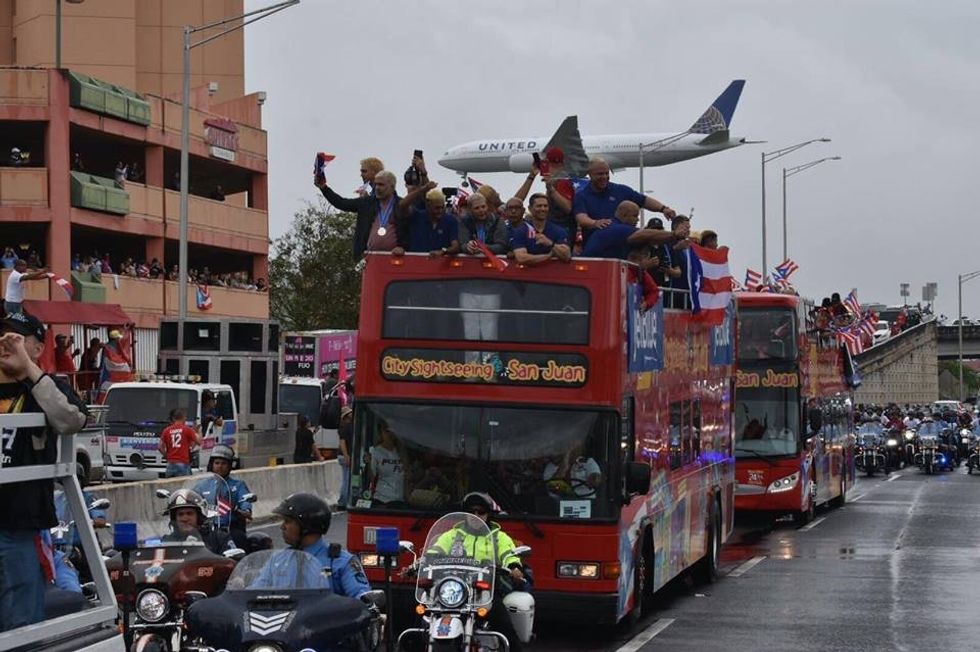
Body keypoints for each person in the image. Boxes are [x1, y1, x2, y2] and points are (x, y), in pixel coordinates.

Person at [0, 311, 87, 632]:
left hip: (20, 526)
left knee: (20, 622)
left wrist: (29, 372)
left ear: (37, 349)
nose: (6, 344)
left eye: (17, 339)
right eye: (2, 336)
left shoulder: (47, 388)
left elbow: (72, 419)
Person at [425, 492, 528, 652]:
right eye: (471, 511)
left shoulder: (499, 538)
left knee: (504, 626)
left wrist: (514, 567)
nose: (476, 515)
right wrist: (419, 563)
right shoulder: (452, 535)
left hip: (486, 591)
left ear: (488, 515)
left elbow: (509, 554)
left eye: (481, 512)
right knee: (422, 619)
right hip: (454, 589)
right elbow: (434, 551)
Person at [264, 493, 371, 598]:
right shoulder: (277, 560)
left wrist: (363, 600)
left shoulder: (340, 562)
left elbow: (362, 598)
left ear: (306, 525)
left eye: (287, 521)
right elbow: (253, 593)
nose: (282, 527)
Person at [572, 158, 675, 243]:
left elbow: (644, 200)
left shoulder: (620, 190)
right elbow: (582, 218)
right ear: (589, 174)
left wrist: (663, 209)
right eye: (600, 174)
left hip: (623, 248)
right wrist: (595, 223)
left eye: (606, 173)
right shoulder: (582, 196)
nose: (604, 177)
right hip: (597, 249)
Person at [317, 169, 406, 260]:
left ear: (392, 186)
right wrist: (324, 188)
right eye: (376, 184)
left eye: (381, 185)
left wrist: (403, 247)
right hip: (368, 258)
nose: (377, 188)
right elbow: (341, 203)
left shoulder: (402, 204)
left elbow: (410, 229)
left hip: (395, 258)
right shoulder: (366, 203)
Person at [195, 444, 253, 549]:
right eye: (217, 463)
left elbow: (246, 505)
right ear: (212, 464)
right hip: (207, 529)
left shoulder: (238, 485)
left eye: (224, 463)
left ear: (229, 466)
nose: (220, 466)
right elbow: (191, 499)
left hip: (230, 529)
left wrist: (239, 510)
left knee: (239, 541)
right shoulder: (202, 485)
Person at [581, 201, 677, 260]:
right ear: (624, 215)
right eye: (635, 216)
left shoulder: (612, 226)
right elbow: (647, 235)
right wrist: (675, 234)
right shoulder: (616, 228)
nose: (638, 220)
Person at [160, 489, 233, 554]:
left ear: (199, 517)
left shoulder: (218, 538)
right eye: (180, 514)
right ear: (174, 518)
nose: (185, 519)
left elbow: (231, 563)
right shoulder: (167, 542)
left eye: (189, 513)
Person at [509, 193, 572, 266]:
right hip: (528, 275)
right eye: (539, 206)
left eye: (545, 206)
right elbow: (521, 258)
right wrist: (548, 256)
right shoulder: (521, 230)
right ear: (530, 208)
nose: (543, 209)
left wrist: (550, 244)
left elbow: (566, 256)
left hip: (553, 275)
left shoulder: (559, 231)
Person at [401, 185, 461, 256]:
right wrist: (421, 189)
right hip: (416, 261)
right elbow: (402, 205)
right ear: (428, 205)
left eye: (442, 207)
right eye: (437, 208)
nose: (440, 211)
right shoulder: (417, 216)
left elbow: (455, 246)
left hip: (440, 263)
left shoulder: (451, 220)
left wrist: (443, 251)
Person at [366, 419, 405, 506]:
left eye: (392, 431)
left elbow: (408, 474)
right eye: (386, 431)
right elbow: (372, 477)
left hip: (400, 500)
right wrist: (368, 463)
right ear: (381, 433)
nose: (390, 434)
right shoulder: (376, 452)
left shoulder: (401, 452)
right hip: (382, 500)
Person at [159, 408, 199, 477]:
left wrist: (167, 456)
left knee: (170, 487)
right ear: (183, 418)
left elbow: (160, 447)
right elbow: (199, 442)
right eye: (185, 417)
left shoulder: (166, 430)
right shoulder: (187, 429)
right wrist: (198, 432)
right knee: (184, 486)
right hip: (183, 464)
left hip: (170, 464)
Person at [337, 406, 353, 509]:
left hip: (343, 455)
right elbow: (342, 442)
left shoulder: (346, 426)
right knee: (347, 480)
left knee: (347, 479)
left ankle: (344, 500)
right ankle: (343, 502)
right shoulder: (345, 427)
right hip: (345, 455)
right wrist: (347, 456)